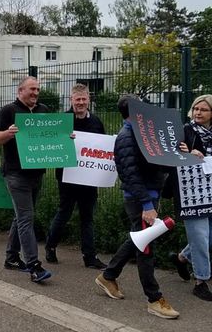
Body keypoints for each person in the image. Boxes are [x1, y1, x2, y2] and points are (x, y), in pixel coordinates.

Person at [95, 95, 179, 319]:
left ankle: (109, 275)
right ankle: (154, 299)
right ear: (133, 110)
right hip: (140, 199)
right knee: (145, 247)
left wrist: (183, 153)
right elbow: (129, 174)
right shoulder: (127, 136)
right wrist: (146, 204)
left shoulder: (143, 134)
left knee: (138, 238)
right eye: (142, 105)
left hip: (149, 196)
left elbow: (159, 161)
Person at [0, 76, 52, 283]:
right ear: (20, 91)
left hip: (36, 172)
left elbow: (50, 135)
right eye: (32, 89)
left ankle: (11, 257)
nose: (35, 93)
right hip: (16, 173)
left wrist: (63, 137)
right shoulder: (9, 110)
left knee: (21, 217)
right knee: (26, 218)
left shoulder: (43, 110)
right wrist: (8, 133)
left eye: (37, 89)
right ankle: (34, 266)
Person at [45, 84, 108, 270]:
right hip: (67, 176)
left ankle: (89, 257)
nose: (80, 103)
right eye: (77, 99)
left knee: (87, 217)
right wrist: (65, 140)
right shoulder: (63, 121)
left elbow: (102, 149)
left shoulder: (97, 122)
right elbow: (53, 146)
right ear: (71, 100)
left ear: (89, 99)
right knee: (64, 212)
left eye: (83, 99)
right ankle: (50, 246)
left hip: (90, 177)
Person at [168, 95, 212, 301]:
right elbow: (171, 156)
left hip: (210, 190)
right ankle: (201, 281)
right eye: (196, 108)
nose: (198, 113)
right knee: (199, 236)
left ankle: (181, 257)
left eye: (204, 109)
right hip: (191, 192)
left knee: (208, 237)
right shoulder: (184, 131)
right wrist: (185, 153)